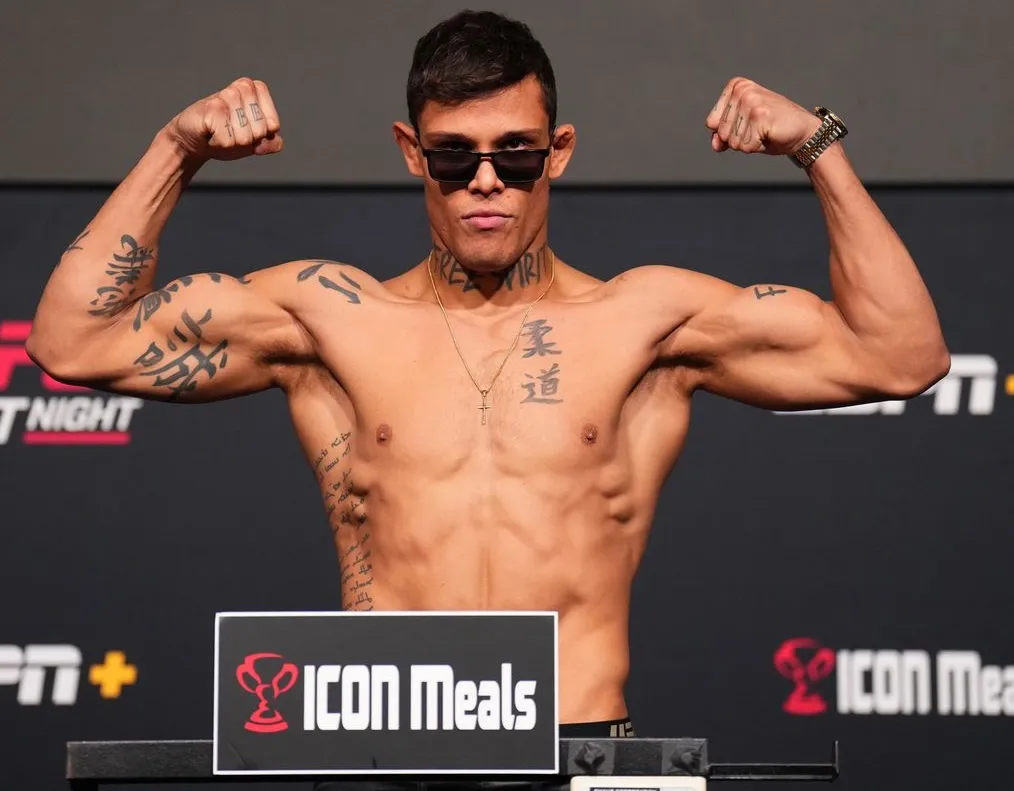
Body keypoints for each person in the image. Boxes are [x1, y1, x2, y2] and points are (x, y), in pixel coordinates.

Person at [26, 10, 948, 737]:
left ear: (558, 151)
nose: (486, 180)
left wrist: (817, 146)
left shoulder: (646, 321)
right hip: (382, 740)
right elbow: (73, 340)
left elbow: (902, 356)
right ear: (411, 151)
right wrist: (177, 147)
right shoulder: (328, 318)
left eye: (515, 151)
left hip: (579, 741)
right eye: (453, 154)